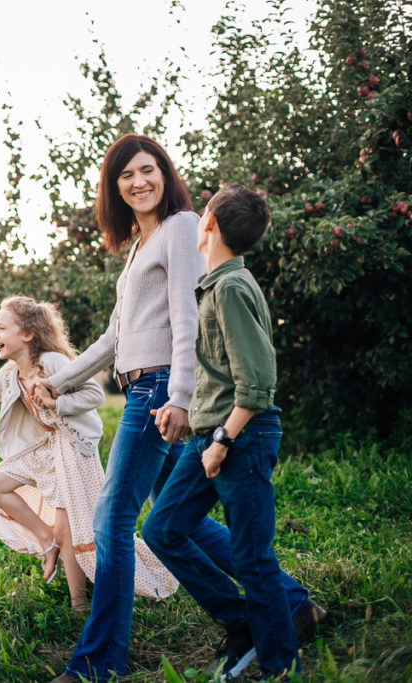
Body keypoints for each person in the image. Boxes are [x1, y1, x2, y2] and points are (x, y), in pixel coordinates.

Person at [31, 135, 320, 683]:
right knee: (172, 518)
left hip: (162, 391)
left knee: (112, 516)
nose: (140, 181)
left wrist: (181, 397)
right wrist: (59, 382)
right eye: (127, 175)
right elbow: (116, 335)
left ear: (166, 172)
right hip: (148, 387)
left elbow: (189, 321)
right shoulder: (141, 245)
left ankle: (97, 663)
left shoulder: (183, 226)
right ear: (113, 188)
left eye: (149, 169)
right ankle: (290, 605)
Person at [141, 185, 307, 680]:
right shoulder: (215, 284)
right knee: (162, 528)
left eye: (202, 210)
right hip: (209, 434)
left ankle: (279, 666)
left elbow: (256, 384)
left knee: (254, 558)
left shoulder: (231, 289)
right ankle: (241, 624)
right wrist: (193, 418)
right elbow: (222, 375)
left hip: (240, 438)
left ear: (208, 222)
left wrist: (222, 442)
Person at [0, 296, 178, 610]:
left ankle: (79, 605)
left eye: (1, 328)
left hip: (74, 450)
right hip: (46, 448)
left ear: (27, 334)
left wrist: (58, 403)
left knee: (71, 529)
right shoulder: (12, 373)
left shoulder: (53, 362)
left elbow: (94, 393)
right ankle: (45, 540)